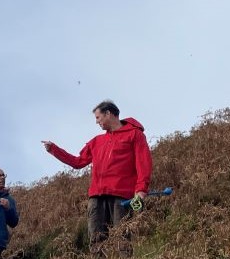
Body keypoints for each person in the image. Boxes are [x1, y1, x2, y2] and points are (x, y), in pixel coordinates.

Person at [42, 100, 153, 250]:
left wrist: (141, 190)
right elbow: (78, 162)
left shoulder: (135, 135)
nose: (96, 122)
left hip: (122, 196)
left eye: (98, 117)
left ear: (108, 113)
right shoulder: (96, 142)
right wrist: (54, 149)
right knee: (96, 239)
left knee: (123, 238)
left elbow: (143, 164)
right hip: (96, 196)